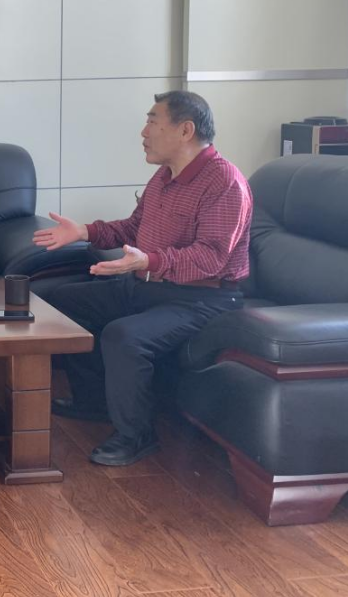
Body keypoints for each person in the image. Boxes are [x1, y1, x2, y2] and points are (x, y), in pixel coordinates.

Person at [33, 90, 251, 466]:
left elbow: (212, 258)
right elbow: (134, 227)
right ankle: (94, 402)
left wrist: (147, 261)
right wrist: (83, 231)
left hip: (203, 298)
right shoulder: (164, 176)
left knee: (124, 336)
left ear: (185, 130)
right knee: (62, 302)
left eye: (152, 121)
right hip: (149, 285)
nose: (143, 132)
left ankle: (137, 436)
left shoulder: (224, 182)